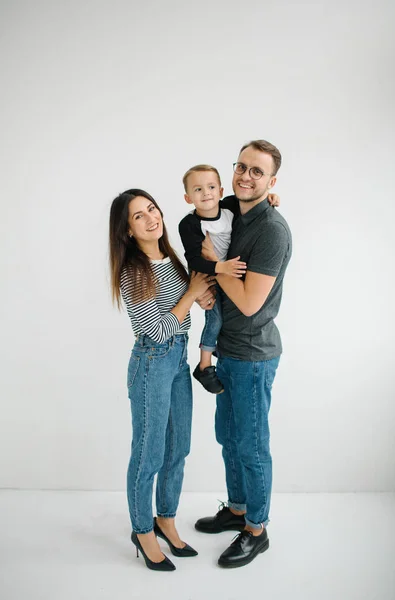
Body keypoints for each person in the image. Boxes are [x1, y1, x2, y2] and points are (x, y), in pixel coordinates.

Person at [194, 140, 292, 569]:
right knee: (228, 439)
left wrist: (215, 267)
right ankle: (236, 510)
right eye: (242, 167)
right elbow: (202, 200)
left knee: (251, 447)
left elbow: (251, 303)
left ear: (272, 180)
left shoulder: (272, 230)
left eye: (258, 172)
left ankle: (257, 529)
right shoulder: (236, 206)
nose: (245, 176)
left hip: (253, 355)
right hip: (227, 350)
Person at [109, 188, 215, 572]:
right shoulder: (133, 271)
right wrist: (190, 296)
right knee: (148, 454)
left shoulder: (171, 258)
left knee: (178, 448)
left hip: (178, 359)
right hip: (152, 363)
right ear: (127, 231)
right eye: (139, 216)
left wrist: (200, 298)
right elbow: (154, 330)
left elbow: (189, 304)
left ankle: (165, 518)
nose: (151, 218)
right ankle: (142, 529)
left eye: (152, 209)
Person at [178, 164, 280, 394]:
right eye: (198, 190)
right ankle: (204, 365)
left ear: (222, 191)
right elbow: (195, 259)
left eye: (212, 187)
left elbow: (254, 200)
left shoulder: (229, 208)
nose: (207, 193)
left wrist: (270, 197)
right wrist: (220, 267)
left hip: (227, 275)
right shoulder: (189, 224)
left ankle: (214, 352)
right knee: (214, 319)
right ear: (187, 197)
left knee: (223, 319)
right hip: (209, 277)